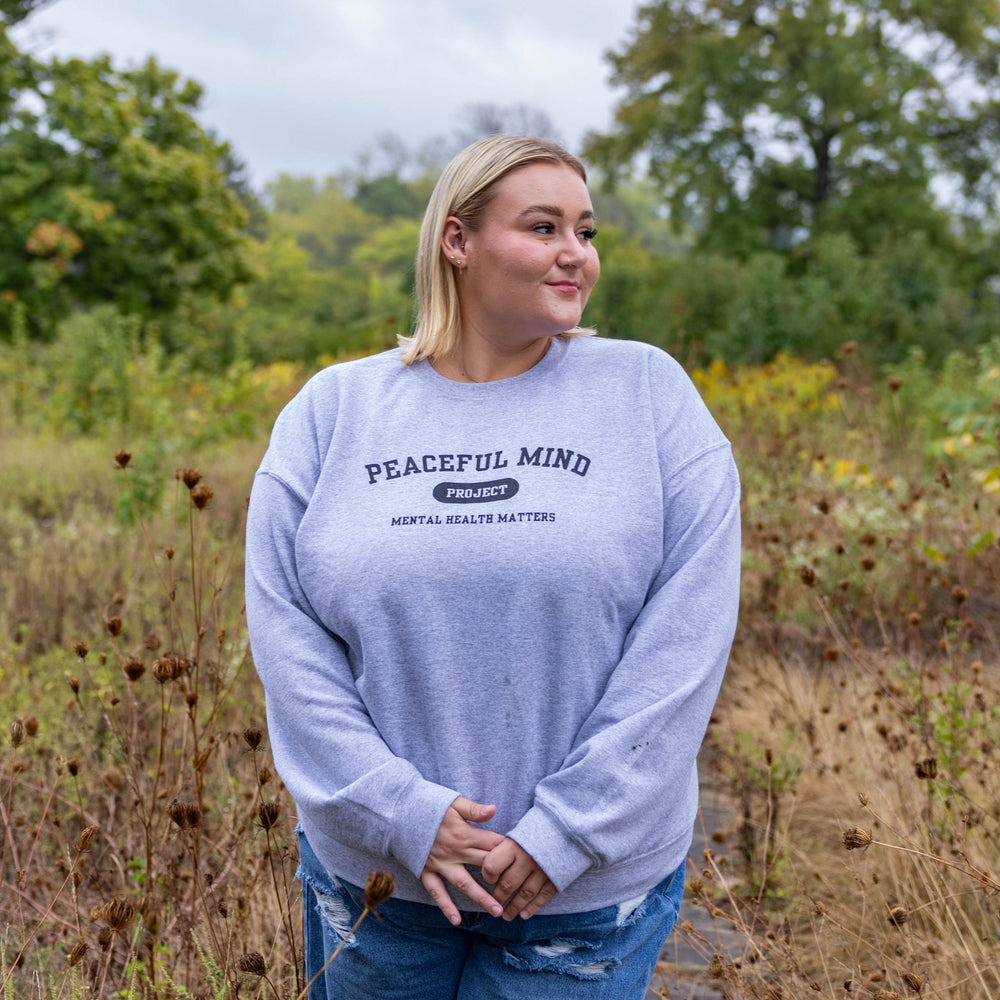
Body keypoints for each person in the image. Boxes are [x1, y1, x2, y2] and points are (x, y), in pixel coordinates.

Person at [245, 135, 741, 1000]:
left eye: (585, 232)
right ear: (458, 240)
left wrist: (566, 834)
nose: (574, 255)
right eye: (543, 226)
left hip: (579, 894)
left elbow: (686, 641)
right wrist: (402, 814)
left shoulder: (646, 394)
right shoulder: (335, 409)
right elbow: (289, 642)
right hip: (378, 883)